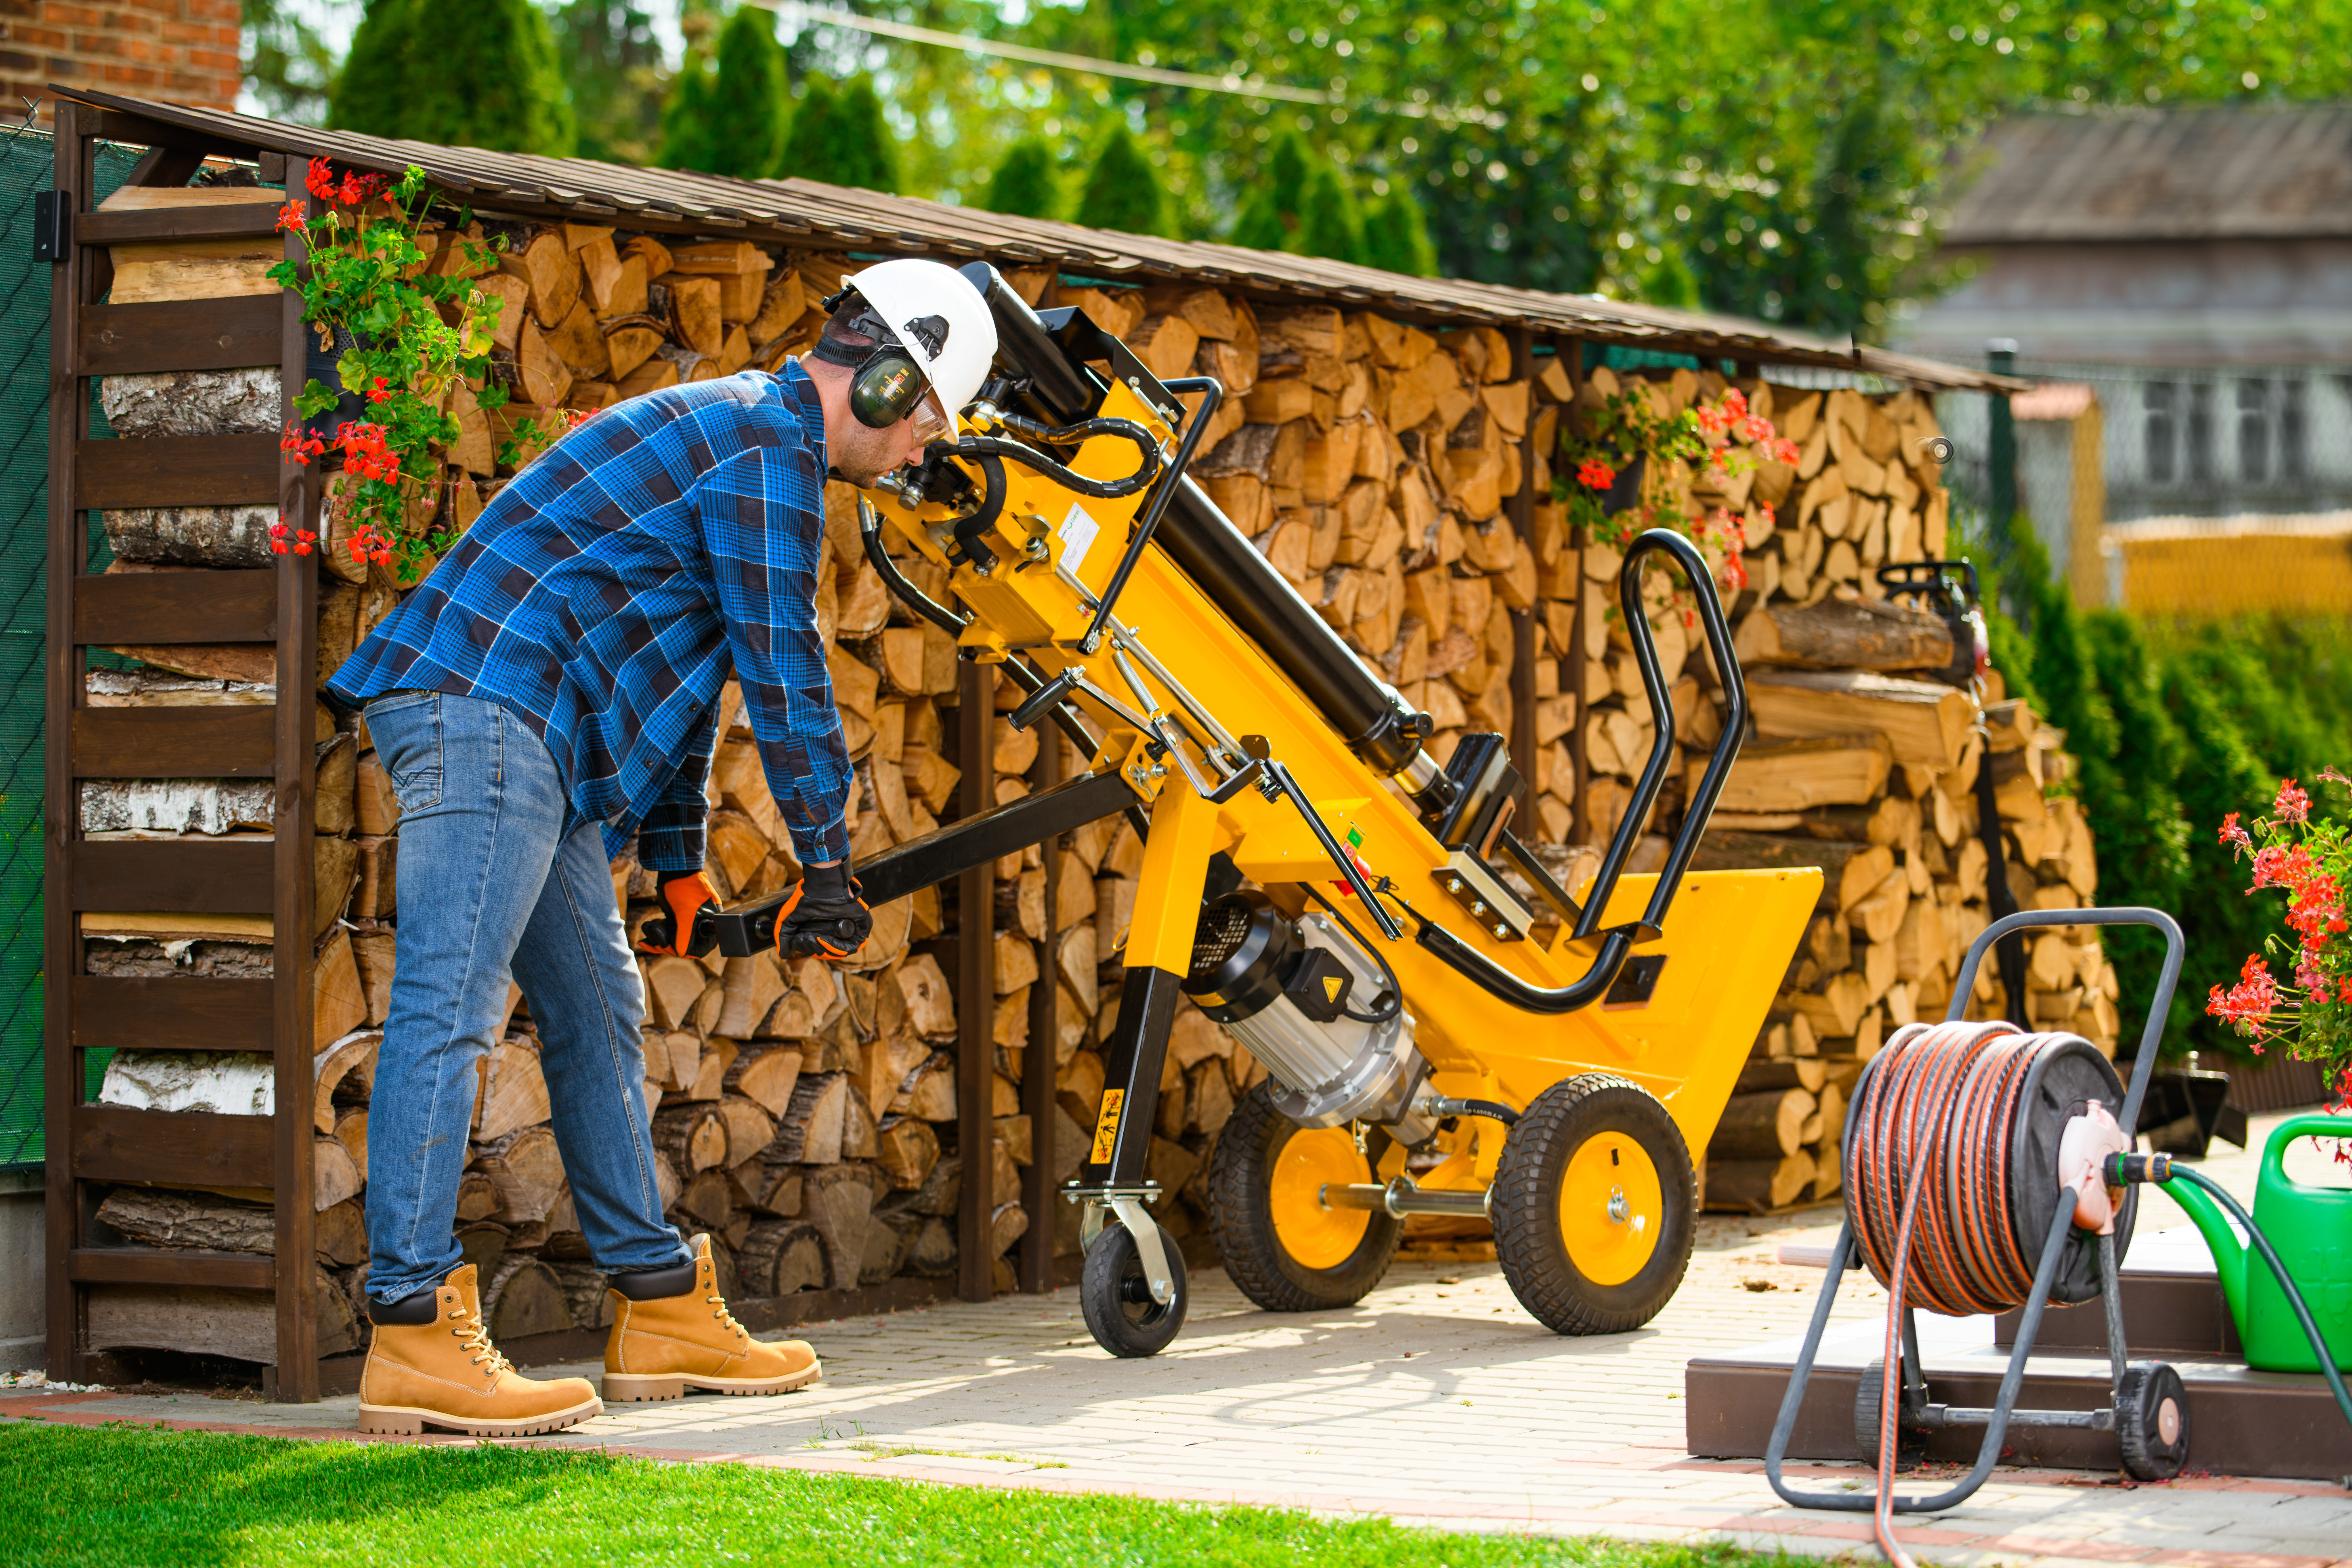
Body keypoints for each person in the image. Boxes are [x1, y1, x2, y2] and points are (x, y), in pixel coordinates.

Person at [321, 259, 999, 1436]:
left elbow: (692, 674)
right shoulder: (763, 449)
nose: (916, 460)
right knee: (451, 1003)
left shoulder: (747, 440)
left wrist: (680, 855)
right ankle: (411, 1330)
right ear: (892, 385)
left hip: (547, 737)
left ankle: (659, 1305)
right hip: (490, 706)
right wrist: (830, 868)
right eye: (926, 429)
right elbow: (784, 671)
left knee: (598, 1010)